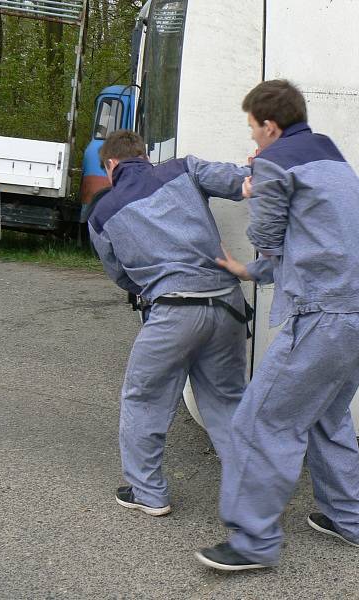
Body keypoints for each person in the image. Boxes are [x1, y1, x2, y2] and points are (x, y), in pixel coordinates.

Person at [195, 80, 359, 570]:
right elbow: (318, 237)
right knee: (326, 413)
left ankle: (252, 542)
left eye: (253, 130)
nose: (253, 140)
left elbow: (266, 232)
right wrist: (251, 271)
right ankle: (348, 519)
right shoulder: (331, 157)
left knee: (261, 420)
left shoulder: (274, 160)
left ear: (270, 125)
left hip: (325, 316)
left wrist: (254, 185)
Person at [88, 130, 250, 517]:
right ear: (143, 155)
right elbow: (241, 182)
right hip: (227, 305)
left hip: (174, 310)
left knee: (145, 398)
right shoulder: (185, 169)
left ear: (111, 166)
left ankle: (148, 493)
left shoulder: (102, 213)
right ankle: (252, 498)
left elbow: (122, 274)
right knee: (227, 402)